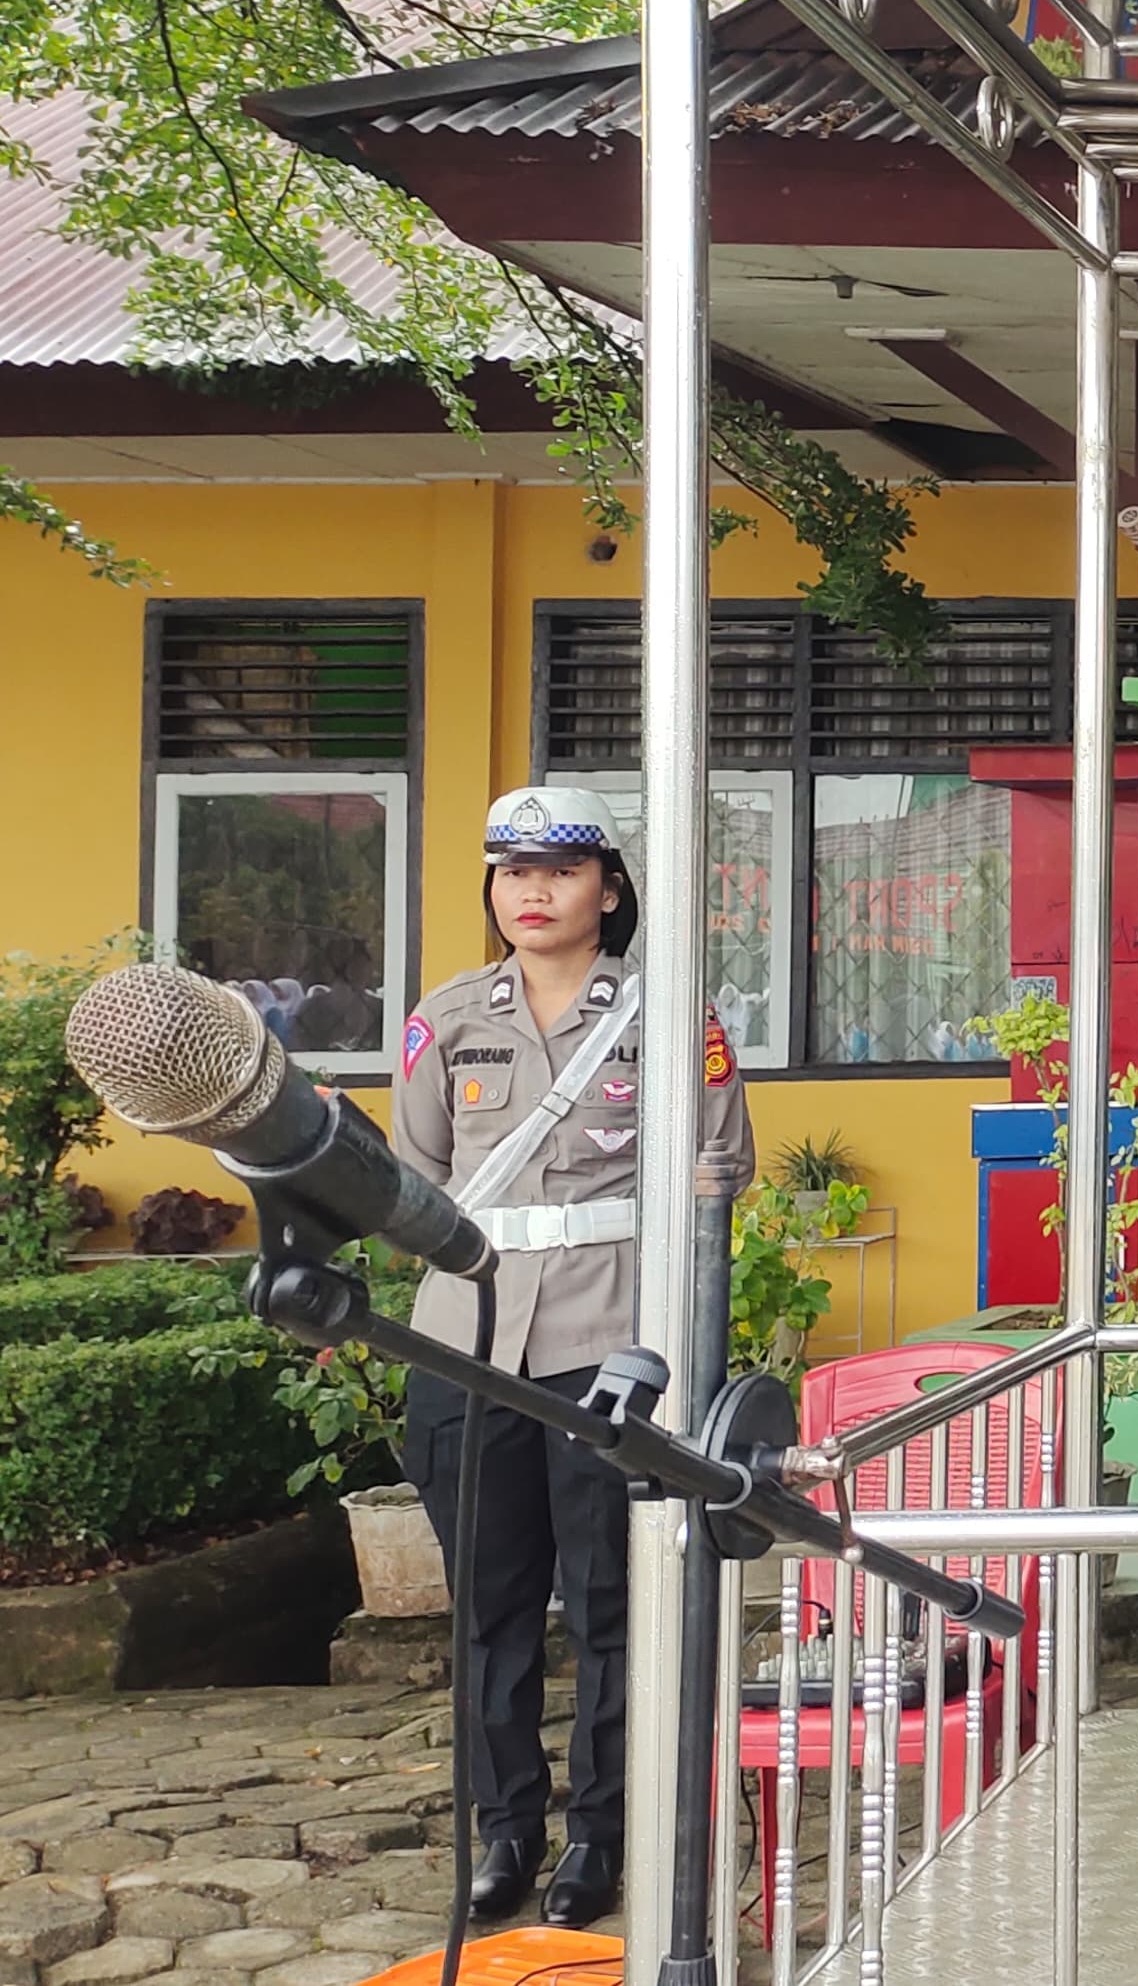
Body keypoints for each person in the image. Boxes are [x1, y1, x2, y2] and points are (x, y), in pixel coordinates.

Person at [391, 784, 752, 1928]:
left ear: (608, 889)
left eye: (557, 871)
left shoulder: (666, 1014)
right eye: (511, 872)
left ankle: (600, 1840)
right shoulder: (447, 1017)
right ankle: (505, 1833)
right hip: (468, 1340)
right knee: (487, 1611)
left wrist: (679, 1341)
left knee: (608, 1606)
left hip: (611, 1348)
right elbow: (420, 1172)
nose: (531, 892)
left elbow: (716, 1169)